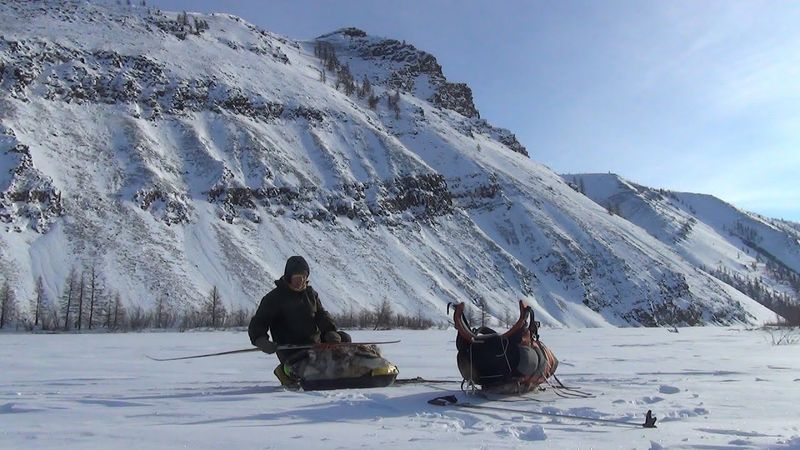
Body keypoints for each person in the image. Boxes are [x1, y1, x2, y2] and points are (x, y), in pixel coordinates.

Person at [248, 255, 351, 387]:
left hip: (315, 345)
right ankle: (285, 372)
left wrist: (330, 332)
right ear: (288, 277)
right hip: (292, 350)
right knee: (310, 368)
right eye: (297, 277)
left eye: (303, 277)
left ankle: (344, 371)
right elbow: (259, 322)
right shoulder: (274, 298)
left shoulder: (311, 294)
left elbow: (321, 315)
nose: (300, 281)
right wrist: (260, 340)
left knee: (344, 339)